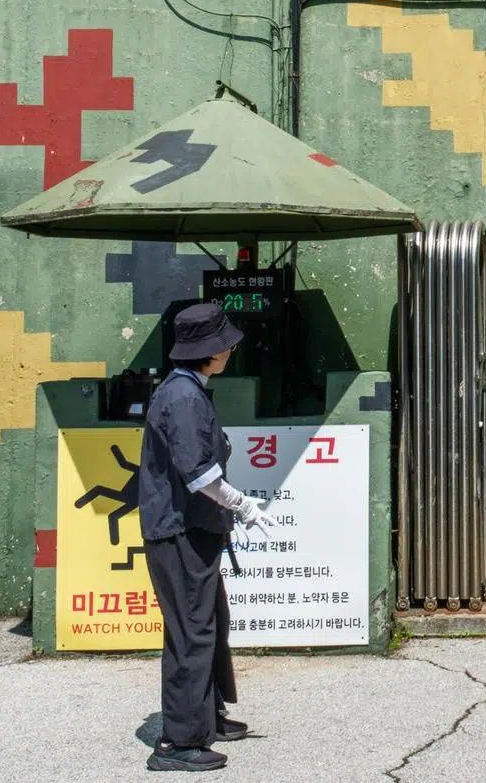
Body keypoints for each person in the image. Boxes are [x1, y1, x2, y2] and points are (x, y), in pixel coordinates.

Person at [138, 303, 275, 772]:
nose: (231, 350)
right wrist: (243, 503)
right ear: (212, 353)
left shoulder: (186, 390)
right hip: (180, 531)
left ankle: (206, 717)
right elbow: (199, 475)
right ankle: (177, 744)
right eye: (226, 345)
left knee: (208, 622)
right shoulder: (183, 398)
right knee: (191, 632)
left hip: (193, 529)